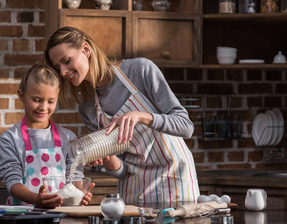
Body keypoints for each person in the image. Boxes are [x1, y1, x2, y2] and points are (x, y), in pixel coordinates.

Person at [44, 27, 200, 206]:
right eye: (58, 67)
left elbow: (186, 126)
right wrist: (107, 157)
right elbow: (123, 170)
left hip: (174, 182)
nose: (63, 71)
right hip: (133, 189)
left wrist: (141, 116)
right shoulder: (88, 108)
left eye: (66, 61)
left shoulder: (140, 70)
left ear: (86, 50)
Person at [0, 64, 95, 208]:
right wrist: (37, 199)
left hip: (61, 216)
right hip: (23, 217)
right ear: (21, 95)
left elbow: (75, 176)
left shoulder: (68, 138)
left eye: (51, 101)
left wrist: (80, 194)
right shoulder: (9, 140)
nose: (43, 107)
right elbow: (12, 182)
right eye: (36, 100)